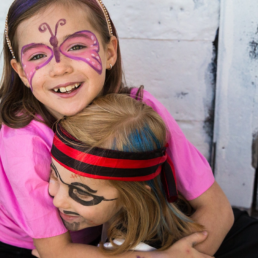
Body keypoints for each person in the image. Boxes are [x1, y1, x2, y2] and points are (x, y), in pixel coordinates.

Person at [0, 0, 232, 257]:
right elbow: (56, 251)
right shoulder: (23, 141)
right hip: (36, 245)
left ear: (110, 52)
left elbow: (218, 209)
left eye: (76, 46)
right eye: (37, 56)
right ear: (21, 72)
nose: (59, 68)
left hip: (122, 226)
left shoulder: (140, 110)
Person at [49, 93, 258, 258]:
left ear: (133, 197)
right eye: (55, 176)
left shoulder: (137, 248)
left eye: (82, 193)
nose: (57, 199)